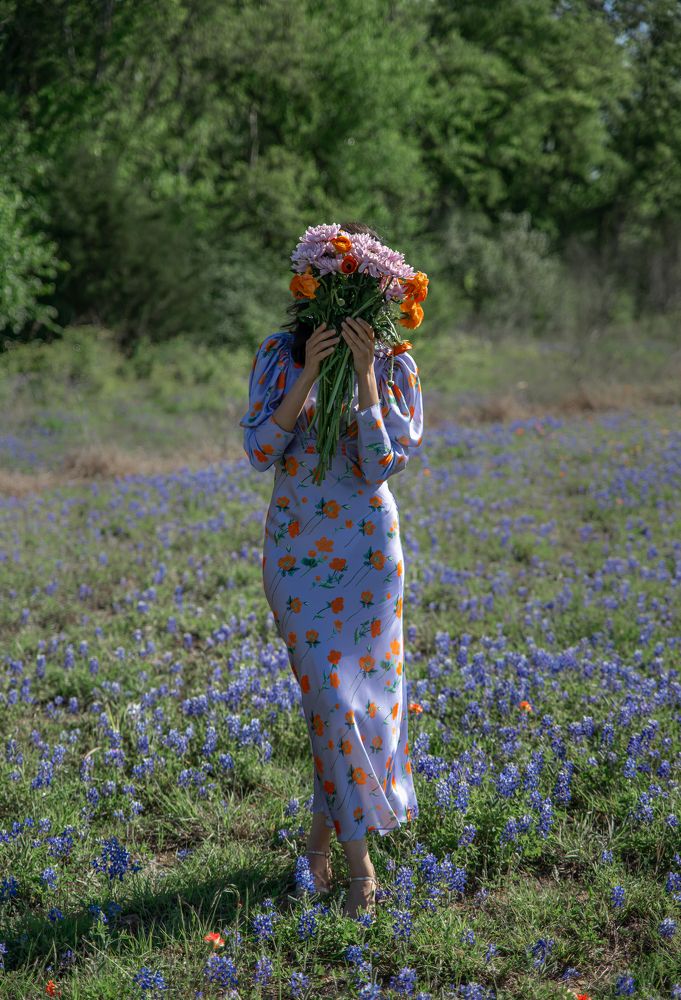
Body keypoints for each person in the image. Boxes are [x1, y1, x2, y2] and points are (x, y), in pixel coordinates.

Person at [238, 223, 424, 918]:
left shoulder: (396, 361)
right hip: (296, 550)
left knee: (350, 706)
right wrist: (312, 372)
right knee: (330, 701)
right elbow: (260, 451)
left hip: (368, 555)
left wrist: (368, 378)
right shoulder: (278, 357)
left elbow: (381, 466)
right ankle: (359, 869)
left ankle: (324, 852)